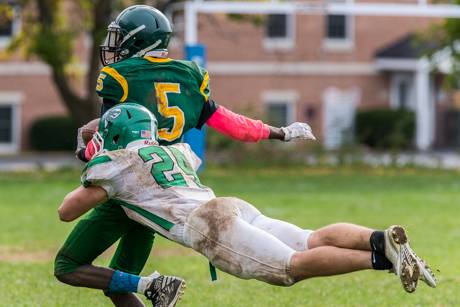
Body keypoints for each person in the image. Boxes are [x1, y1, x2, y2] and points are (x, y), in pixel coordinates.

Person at [54, 5, 316, 307]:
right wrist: (279, 132)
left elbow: (108, 143)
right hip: (170, 187)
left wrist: (84, 148)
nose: (115, 44)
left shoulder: (119, 76)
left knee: (68, 265)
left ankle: (150, 283)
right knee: (118, 284)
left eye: (121, 37)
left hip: (127, 184)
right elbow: (230, 123)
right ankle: (149, 285)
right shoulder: (189, 74)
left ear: (137, 40)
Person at [58, 104, 437, 306]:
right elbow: (181, 161)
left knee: (291, 268)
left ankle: (383, 258)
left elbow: (68, 210)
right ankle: (378, 238)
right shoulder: (175, 152)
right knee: (309, 239)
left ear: (117, 136)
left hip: (207, 224)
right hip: (227, 204)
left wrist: (89, 157)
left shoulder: (116, 164)